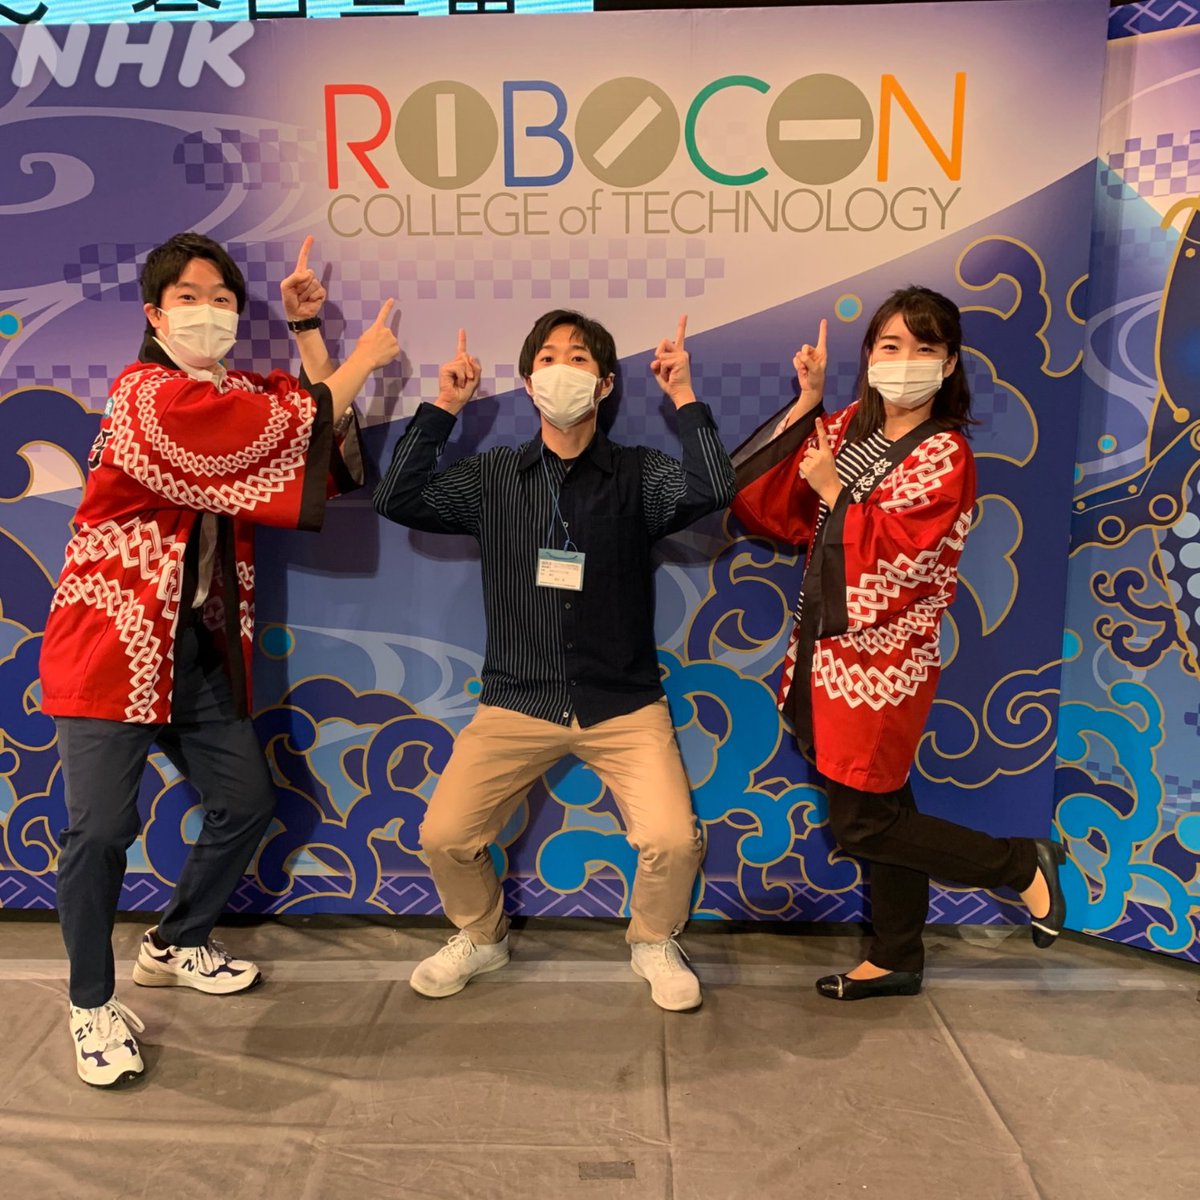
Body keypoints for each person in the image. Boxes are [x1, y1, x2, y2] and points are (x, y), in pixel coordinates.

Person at [39, 232, 399, 1085]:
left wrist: (308, 331)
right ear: (155, 314)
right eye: (189, 298)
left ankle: (174, 941)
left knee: (245, 802)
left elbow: (316, 441)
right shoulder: (145, 397)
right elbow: (277, 428)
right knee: (100, 832)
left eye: (223, 299)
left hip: (194, 649)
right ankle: (90, 1004)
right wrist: (366, 358)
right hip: (110, 646)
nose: (209, 312)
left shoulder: (233, 392)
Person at [373, 310, 734, 1011]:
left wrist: (684, 395)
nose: (560, 369)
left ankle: (654, 940)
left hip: (623, 702)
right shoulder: (494, 475)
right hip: (517, 699)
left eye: (577, 358)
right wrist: (445, 406)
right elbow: (398, 497)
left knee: (672, 839)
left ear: (604, 384)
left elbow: (713, 488)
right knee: (444, 836)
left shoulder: (637, 473)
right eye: (546, 358)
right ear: (528, 379)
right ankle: (482, 936)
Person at [730, 286, 1067, 1001]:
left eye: (925, 347)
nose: (905, 359)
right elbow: (775, 505)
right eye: (891, 345)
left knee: (861, 823)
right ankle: (897, 953)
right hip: (822, 645)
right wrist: (808, 402)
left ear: (949, 363)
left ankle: (1018, 864)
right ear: (869, 355)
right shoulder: (848, 425)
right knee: (886, 806)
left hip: (882, 662)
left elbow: (907, 558)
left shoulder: (945, 453)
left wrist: (837, 493)